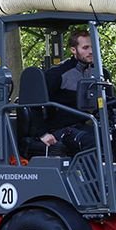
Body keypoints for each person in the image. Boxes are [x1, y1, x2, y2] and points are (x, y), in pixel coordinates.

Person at [36, 29, 97, 157]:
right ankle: (95, 176)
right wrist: (42, 133)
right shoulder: (58, 74)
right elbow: (35, 103)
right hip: (61, 129)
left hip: (87, 125)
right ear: (73, 50)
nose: (91, 51)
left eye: (92, 47)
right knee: (90, 141)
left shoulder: (99, 73)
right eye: (85, 48)